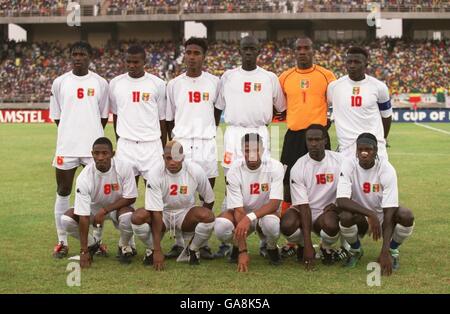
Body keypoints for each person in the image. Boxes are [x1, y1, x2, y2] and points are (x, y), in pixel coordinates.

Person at [215, 35, 286, 257]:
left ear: (258, 51)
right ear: (239, 50)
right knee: (232, 184)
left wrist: (260, 118)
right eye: (244, 48)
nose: (248, 52)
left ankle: (266, 240)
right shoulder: (228, 76)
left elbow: (281, 108)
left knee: (263, 181)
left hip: (262, 132)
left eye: (252, 48)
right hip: (234, 133)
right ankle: (234, 241)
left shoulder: (269, 77)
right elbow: (218, 108)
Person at [49, 41, 109, 258]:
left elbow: (102, 117)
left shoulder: (101, 83)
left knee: (94, 196)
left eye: (82, 54)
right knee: (63, 191)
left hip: (92, 149)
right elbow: (57, 116)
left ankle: (97, 242)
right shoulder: (59, 82)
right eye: (74, 54)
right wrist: (70, 133)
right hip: (66, 146)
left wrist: (89, 135)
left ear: (90, 57)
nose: (78, 58)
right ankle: (62, 242)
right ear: (70, 57)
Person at [278, 37, 336, 257]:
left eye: (306, 49)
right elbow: (281, 106)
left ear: (313, 51)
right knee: (287, 182)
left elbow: (335, 103)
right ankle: (294, 240)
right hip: (293, 136)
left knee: (325, 179)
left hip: (318, 135)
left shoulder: (326, 75)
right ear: (294, 52)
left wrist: (325, 124)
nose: (302, 52)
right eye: (298, 49)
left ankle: (326, 237)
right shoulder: (285, 77)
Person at [165, 37, 219, 260]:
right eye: (189, 52)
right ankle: (179, 243)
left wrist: (206, 130)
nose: (192, 57)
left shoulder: (215, 82)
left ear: (204, 56)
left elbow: (217, 113)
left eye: (197, 53)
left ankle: (200, 243)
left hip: (206, 142)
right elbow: (169, 119)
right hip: (182, 142)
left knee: (206, 195)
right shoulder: (174, 84)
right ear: (184, 55)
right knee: (178, 195)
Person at [337, 133, 414, 275]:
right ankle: (356, 250)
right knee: (345, 216)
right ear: (356, 151)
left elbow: (390, 211)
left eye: (368, 149)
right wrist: (370, 214)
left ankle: (392, 250)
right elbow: (341, 200)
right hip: (361, 216)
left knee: (406, 215)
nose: (364, 153)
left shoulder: (386, 168)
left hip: (383, 215)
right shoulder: (348, 164)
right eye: (360, 150)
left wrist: (384, 251)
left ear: (376, 150)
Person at [130, 141, 215, 270]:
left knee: (208, 216)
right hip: (163, 213)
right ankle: (151, 249)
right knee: (137, 217)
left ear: (183, 157)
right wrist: (158, 249)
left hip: (186, 213)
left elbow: (209, 199)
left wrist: (197, 229)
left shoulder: (195, 170)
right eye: (168, 158)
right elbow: (156, 211)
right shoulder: (154, 173)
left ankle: (192, 249)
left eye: (176, 158)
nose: (172, 162)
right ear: (163, 157)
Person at [60, 137, 138, 267]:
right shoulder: (84, 177)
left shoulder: (124, 167)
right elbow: (83, 215)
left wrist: (105, 210)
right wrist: (84, 250)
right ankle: (93, 245)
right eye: (96, 153)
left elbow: (131, 197)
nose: (100, 157)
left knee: (128, 216)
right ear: (92, 154)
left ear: (113, 154)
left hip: (116, 209)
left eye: (105, 153)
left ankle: (124, 245)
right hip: (93, 211)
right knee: (66, 220)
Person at [280, 124, 348, 269]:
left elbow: (349, 191)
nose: (313, 144)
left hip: (327, 213)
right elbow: (303, 205)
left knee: (331, 224)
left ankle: (326, 247)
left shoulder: (340, 161)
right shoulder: (299, 166)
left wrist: (337, 207)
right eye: (310, 140)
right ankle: (302, 246)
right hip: (304, 210)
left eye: (317, 140)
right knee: (286, 224)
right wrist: (308, 245)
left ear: (325, 140)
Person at [214, 133, 284, 272]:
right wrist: (243, 251)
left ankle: (270, 247)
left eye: (255, 150)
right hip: (242, 212)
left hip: (266, 212)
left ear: (262, 150)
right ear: (241, 150)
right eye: (247, 150)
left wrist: (250, 217)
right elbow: (238, 209)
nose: (251, 154)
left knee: (272, 224)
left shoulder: (275, 166)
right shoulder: (234, 169)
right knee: (221, 227)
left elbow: (274, 204)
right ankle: (237, 246)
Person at [109, 44, 167, 183]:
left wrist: (163, 148)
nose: (132, 65)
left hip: (151, 146)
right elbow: (116, 115)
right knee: (126, 195)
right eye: (128, 61)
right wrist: (120, 142)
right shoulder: (115, 83)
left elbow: (162, 120)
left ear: (144, 62)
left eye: (136, 62)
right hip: (126, 146)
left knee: (154, 193)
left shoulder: (157, 84)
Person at [327, 46, 392, 160]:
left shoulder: (379, 87)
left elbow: (386, 116)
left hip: (374, 148)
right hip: (346, 151)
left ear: (366, 65)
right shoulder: (334, 87)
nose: (352, 65)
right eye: (349, 62)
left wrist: (382, 139)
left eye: (357, 62)